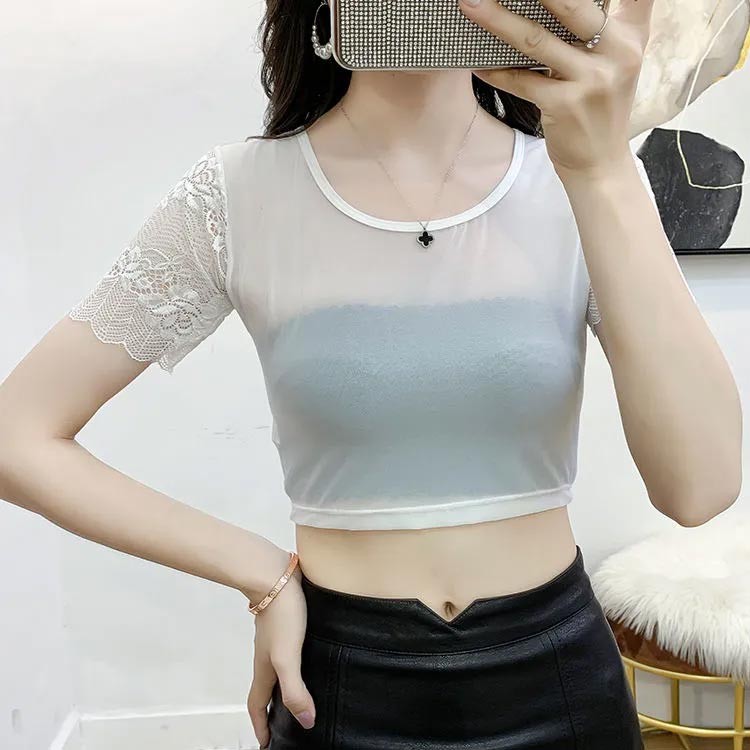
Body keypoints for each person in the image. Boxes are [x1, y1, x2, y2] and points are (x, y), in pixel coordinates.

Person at [0, 0, 742, 748]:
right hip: (340, 683)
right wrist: (259, 571)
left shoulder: (581, 179)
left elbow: (701, 488)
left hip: (559, 676)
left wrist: (603, 168)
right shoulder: (238, 194)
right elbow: (16, 436)